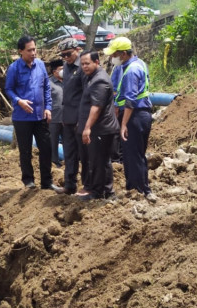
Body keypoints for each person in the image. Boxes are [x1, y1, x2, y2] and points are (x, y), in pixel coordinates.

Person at [4, 35, 63, 192]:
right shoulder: (14, 68)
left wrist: (48, 107)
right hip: (22, 118)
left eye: (34, 49)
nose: (33, 53)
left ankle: (46, 181)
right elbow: (8, 89)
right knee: (25, 150)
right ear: (21, 51)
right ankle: (28, 181)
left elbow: (46, 88)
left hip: (40, 115)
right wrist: (19, 101)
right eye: (30, 50)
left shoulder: (40, 66)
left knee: (46, 148)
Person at [105, 37, 156, 202]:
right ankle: (136, 188)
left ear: (124, 54)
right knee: (132, 154)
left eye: (114, 55)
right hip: (138, 114)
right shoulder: (137, 64)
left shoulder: (131, 70)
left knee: (133, 155)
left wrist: (124, 124)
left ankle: (140, 190)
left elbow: (130, 100)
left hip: (134, 115)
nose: (112, 58)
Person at [78, 50, 119, 201]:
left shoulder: (100, 80)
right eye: (82, 64)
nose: (84, 67)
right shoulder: (91, 77)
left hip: (102, 128)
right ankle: (102, 191)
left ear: (97, 62)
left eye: (87, 63)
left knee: (100, 162)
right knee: (97, 161)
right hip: (98, 128)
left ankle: (103, 192)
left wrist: (87, 127)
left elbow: (96, 107)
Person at [58, 38, 89, 195]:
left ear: (77, 49)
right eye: (62, 55)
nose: (65, 58)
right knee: (69, 153)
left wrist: (83, 120)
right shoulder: (66, 66)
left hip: (80, 119)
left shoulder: (84, 67)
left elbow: (86, 95)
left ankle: (87, 186)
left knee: (84, 155)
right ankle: (69, 185)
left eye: (68, 54)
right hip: (68, 118)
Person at [48, 59, 64, 167]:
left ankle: (69, 161)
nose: (64, 71)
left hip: (67, 118)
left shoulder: (68, 81)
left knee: (68, 141)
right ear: (55, 72)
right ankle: (54, 162)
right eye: (61, 69)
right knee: (53, 141)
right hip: (54, 118)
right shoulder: (49, 83)